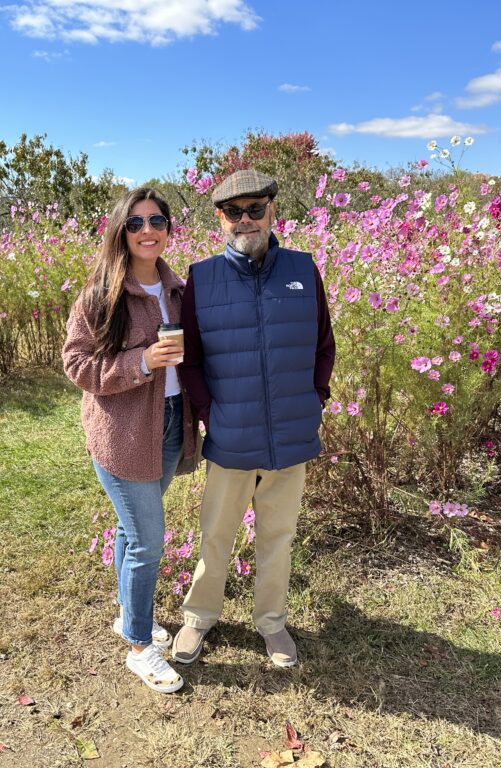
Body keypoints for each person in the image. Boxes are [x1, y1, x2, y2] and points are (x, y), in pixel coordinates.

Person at [174, 169, 335, 667]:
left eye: (255, 209)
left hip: (292, 434)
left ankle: (272, 624)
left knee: (278, 538)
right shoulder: (202, 278)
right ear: (220, 219)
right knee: (216, 535)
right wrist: (209, 414)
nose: (246, 220)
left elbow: (323, 345)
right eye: (233, 212)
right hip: (230, 436)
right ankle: (198, 619)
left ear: (272, 211)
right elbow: (190, 358)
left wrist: (315, 400)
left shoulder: (304, 270)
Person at [62, 187, 196, 693]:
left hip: (167, 423)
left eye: (156, 220)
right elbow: (77, 364)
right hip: (121, 432)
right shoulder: (102, 294)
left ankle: (125, 616)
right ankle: (140, 646)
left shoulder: (179, 290)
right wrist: (141, 362)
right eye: (136, 222)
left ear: (168, 228)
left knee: (130, 526)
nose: (147, 231)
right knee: (146, 539)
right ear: (121, 230)